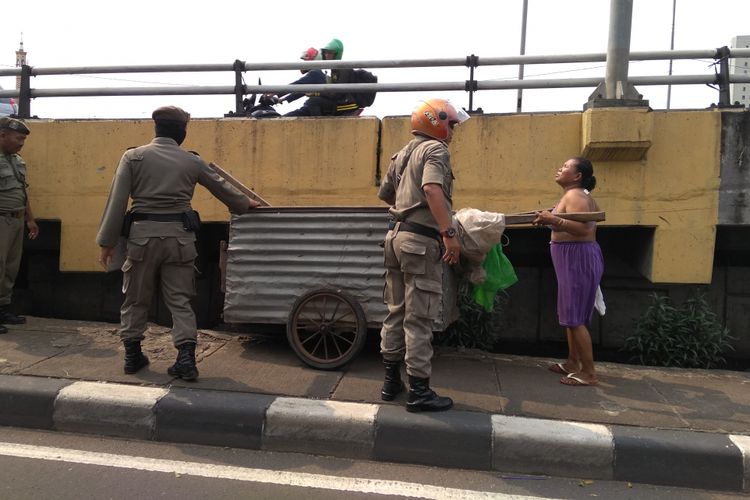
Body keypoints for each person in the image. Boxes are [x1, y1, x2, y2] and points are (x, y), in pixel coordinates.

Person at [96, 106, 259, 379]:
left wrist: (107, 241)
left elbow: (117, 201)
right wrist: (246, 204)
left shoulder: (133, 157)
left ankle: (133, 356)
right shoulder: (191, 161)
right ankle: (186, 359)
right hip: (181, 240)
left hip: (142, 238)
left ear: (156, 128)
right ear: (182, 132)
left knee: (136, 299)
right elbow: (222, 188)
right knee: (180, 300)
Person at [377, 98, 470, 412]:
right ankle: (419, 391)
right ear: (437, 121)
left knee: (396, 312)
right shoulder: (435, 150)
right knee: (419, 318)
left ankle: (391, 383)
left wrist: (406, 203)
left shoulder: (403, 153)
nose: (453, 131)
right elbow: (432, 189)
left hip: (395, 237)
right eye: (452, 124)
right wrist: (449, 234)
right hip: (419, 242)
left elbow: (385, 194)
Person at [533, 157, 604, 387]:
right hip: (571, 258)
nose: (559, 168)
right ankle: (573, 363)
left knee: (575, 317)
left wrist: (554, 219)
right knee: (571, 314)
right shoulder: (573, 195)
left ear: (577, 176)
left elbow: (584, 230)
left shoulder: (576, 196)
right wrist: (550, 218)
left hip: (577, 257)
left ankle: (589, 373)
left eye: (565, 167)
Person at [0, 117, 39, 334]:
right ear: (2, 135)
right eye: (18, 138)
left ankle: (3, 309)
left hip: (16, 220)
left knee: (10, 268)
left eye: (23, 139)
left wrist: (30, 219)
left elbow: (22, 192)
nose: (21, 143)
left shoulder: (16, 160)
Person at [283, 47, 329, 117]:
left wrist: (272, 93)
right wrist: (283, 99)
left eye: (306, 61)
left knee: (285, 118)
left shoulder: (315, 73)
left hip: (315, 106)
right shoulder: (318, 74)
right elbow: (300, 91)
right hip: (315, 106)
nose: (304, 63)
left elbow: (296, 85)